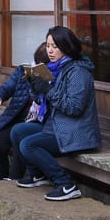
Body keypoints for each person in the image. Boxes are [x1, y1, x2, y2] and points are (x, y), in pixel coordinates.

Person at [12, 26, 101, 201]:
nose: (50, 51)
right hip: (56, 126)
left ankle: (66, 184)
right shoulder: (55, 68)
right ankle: (37, 175)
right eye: (48, 45)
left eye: (55, 46)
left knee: (29, 145)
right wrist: (34, 85)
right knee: (18, 131)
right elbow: (41, 100)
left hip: (76, 131)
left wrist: (49, 90)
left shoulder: (78, 72)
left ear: (67, 47)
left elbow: (74, 108)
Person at [0, 42, 49, 180]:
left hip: (38, 121)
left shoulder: (54, 76)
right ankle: (3, 178)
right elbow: (9, 86)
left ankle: (15, 179)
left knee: (21, 141)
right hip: (16, 116)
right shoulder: (24, 70)